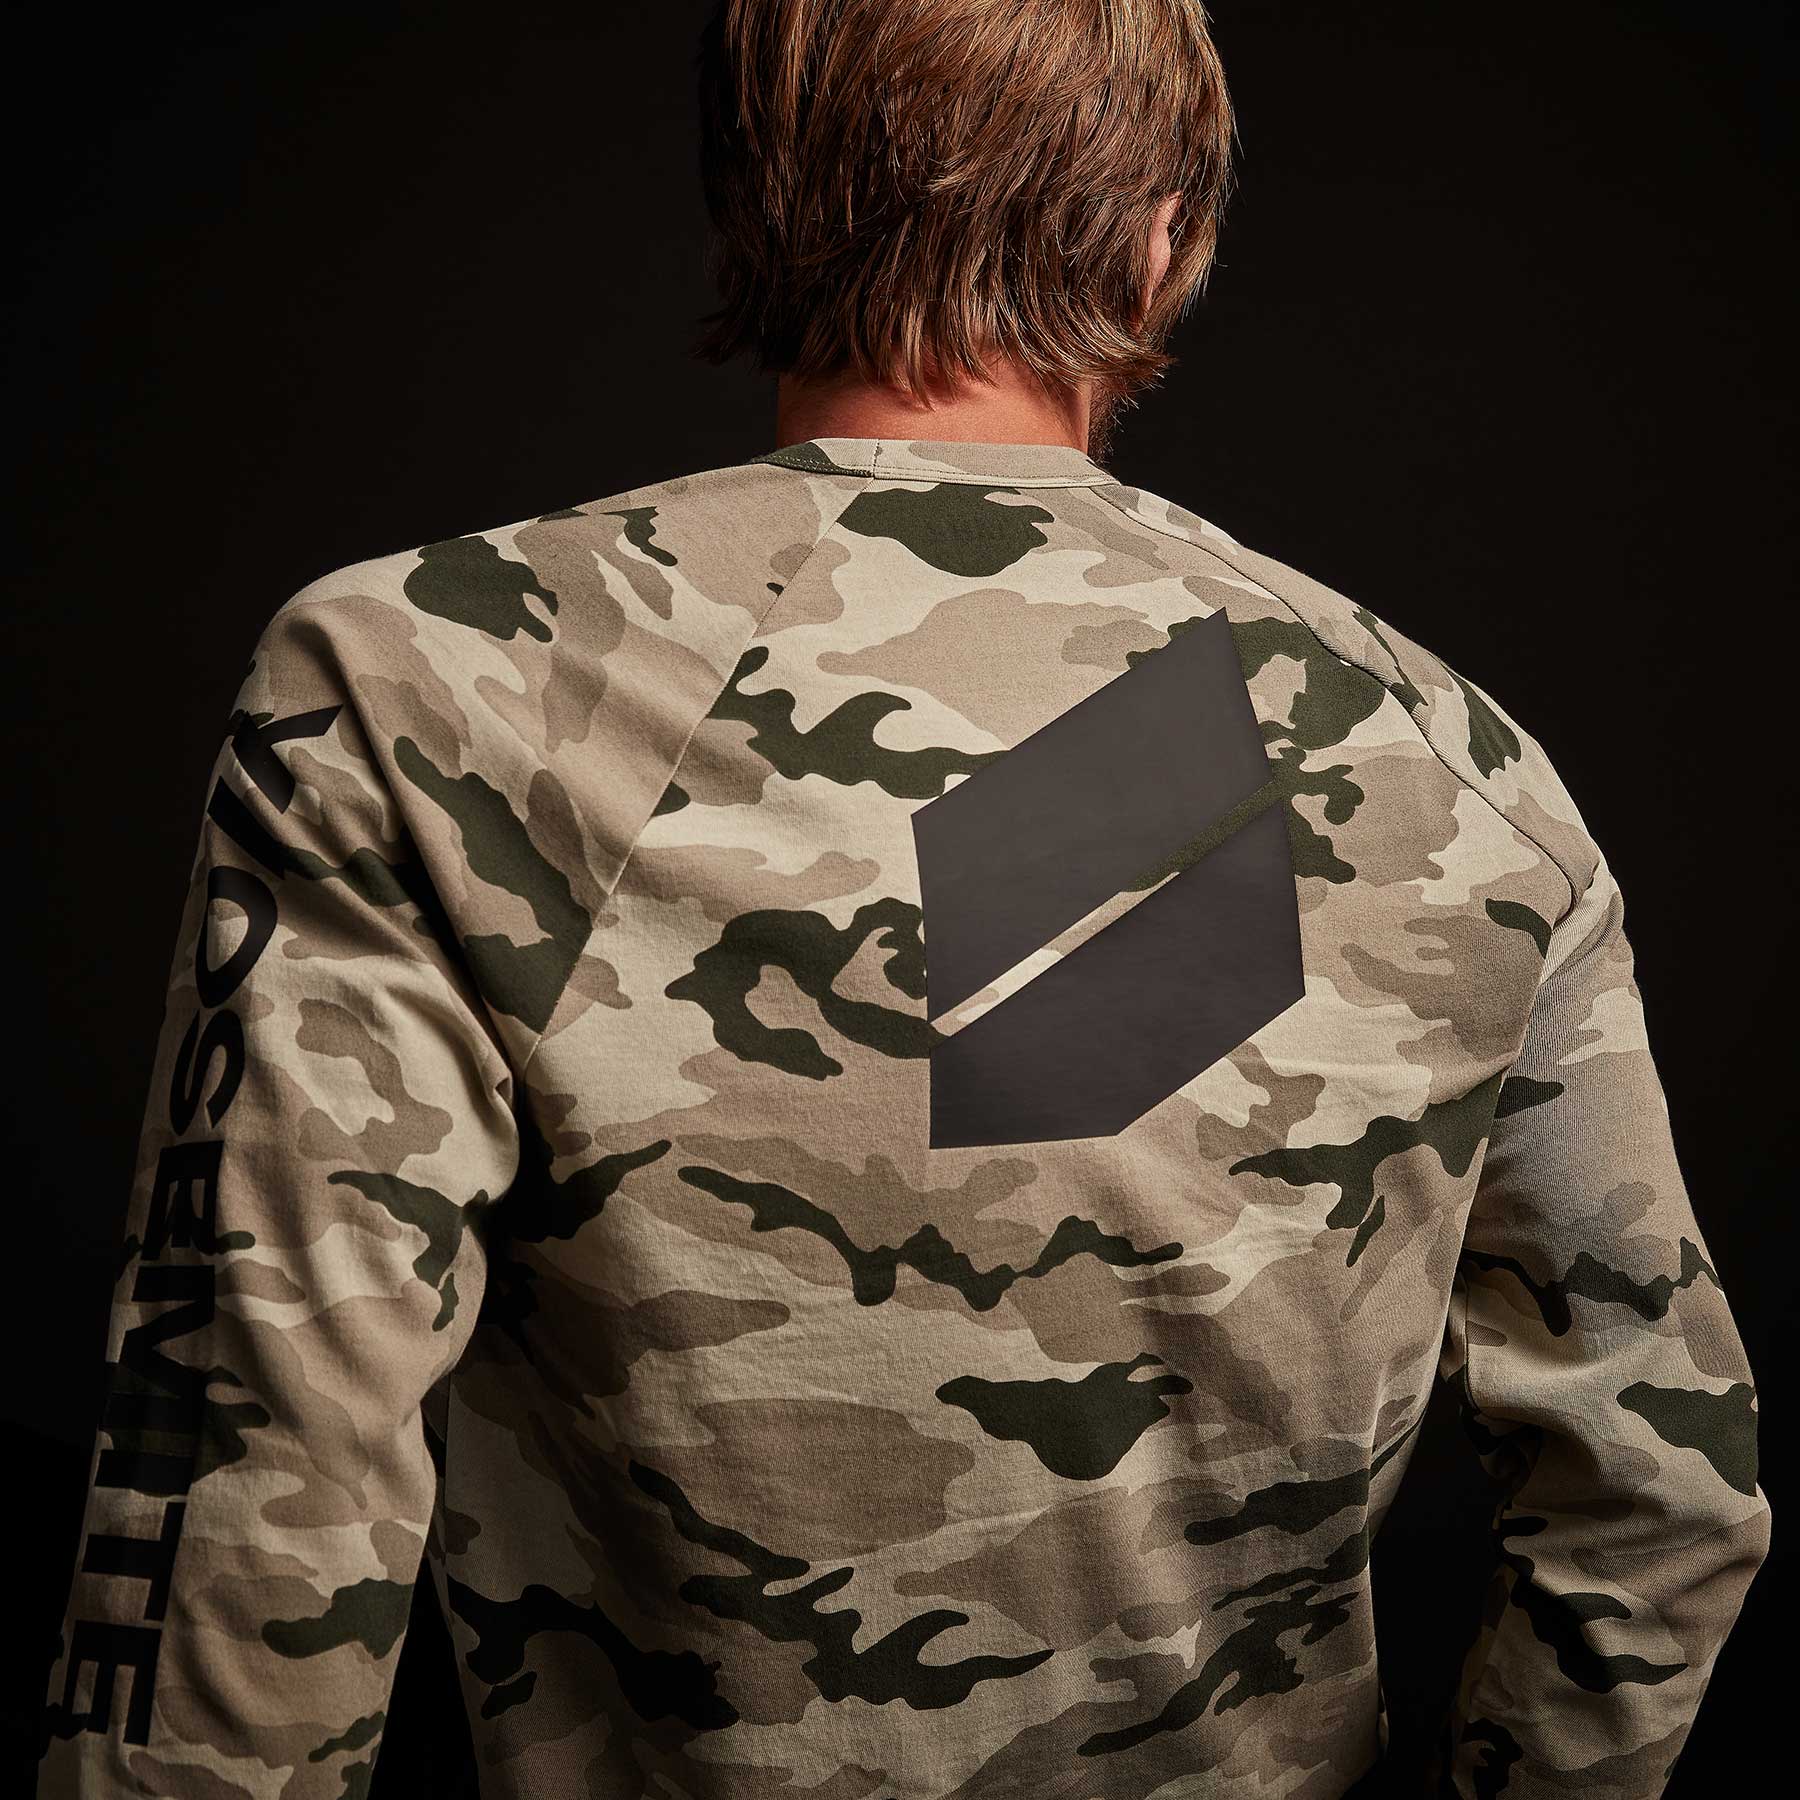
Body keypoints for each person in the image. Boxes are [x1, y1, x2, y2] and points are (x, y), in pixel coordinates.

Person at [38, 2, 1770, 1796]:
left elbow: (252, 1479)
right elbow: (1661, 1496)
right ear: (1165, 235)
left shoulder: (431, 688)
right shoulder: (1456, 771)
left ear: (752, 200)